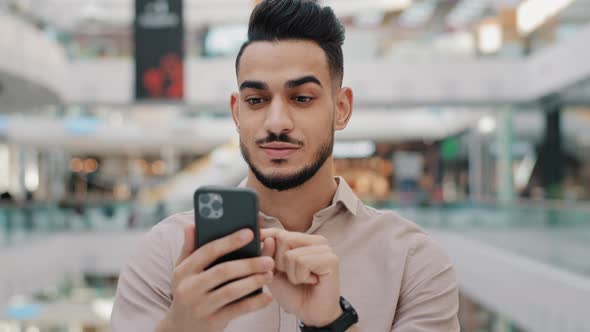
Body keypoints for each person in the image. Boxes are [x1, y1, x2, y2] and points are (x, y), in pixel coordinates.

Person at [111, 1, 459, 331]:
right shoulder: (164, 255)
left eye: (302, 98)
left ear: (341, 108)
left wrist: (332, 323)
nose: (276, 122)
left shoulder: (413, 261)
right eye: (256, 100)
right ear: (237, 112)